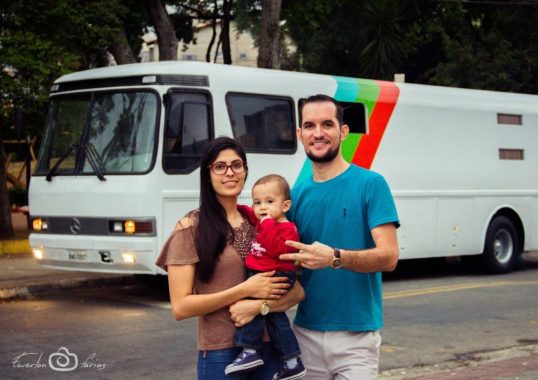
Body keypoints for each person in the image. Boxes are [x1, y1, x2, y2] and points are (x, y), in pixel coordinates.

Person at [156, 136, 304, 380]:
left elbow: (297, 292)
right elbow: (180, 307)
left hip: (269, 350)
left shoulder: (258, 222)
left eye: (237, 165)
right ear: (208, 174)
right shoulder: (190, 228)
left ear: (245, 170)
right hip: (220, 352)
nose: (230, 173)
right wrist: (244, 289)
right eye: (219, 166)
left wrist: (259, 306)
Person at [280, 94, 400, 379]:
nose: (318, 133)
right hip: (305, 333)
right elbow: (288, 265)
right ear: (300, 134)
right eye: (309, 126)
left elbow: (390, 257)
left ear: (343, 131)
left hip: (356, 338)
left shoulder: (371, 184)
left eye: (327, 124)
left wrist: (335, 257)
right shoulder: (295, 195)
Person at [226, 174, 305, 380]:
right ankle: (292, 361)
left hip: (274, 273)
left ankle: (250, 351)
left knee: (252, 306)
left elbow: (277, 249)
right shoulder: (264, 219)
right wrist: (238, 208)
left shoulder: (287, 228)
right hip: (265, 272)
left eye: (269, 202)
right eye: (257, 202)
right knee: (275, 319)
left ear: (286, 205)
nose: (262, 208)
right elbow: (250, 214)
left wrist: (267, 224)